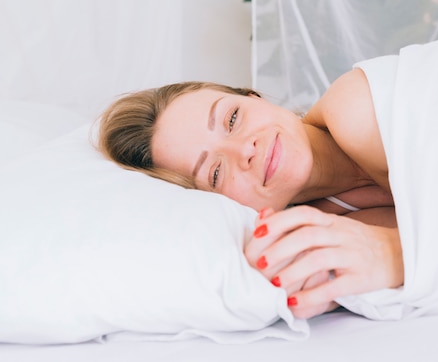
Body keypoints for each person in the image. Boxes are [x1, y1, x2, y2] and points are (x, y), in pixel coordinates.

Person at [98, 70, 403, 319]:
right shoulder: (331, 227)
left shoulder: (355, 107)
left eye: (232, 119)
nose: (245, 149)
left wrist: (392, 253)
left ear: (254, 97)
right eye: (215, 172)